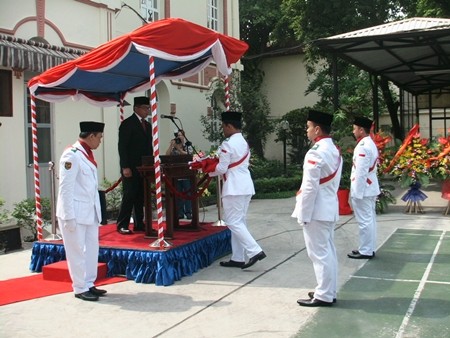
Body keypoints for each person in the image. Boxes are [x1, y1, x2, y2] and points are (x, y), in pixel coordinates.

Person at [292, 109, 342, 307]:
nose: (307, 131)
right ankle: (328, 290)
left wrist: (303, 214)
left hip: (316, 210)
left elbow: (310, 187)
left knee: (319, 253)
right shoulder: (334, 150)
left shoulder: (315, 153)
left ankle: (323, 294)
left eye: (308, 127)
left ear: (318, 129)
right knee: (327, 250)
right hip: (329, 207)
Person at [56, 121, 107, 302]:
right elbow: (66, 188)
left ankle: (88, 283)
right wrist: (68, 216)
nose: (100, 141)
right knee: (76, 250)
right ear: (91, 136)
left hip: (89, 212)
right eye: (99, 137)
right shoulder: (72, 155)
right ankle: (79, 287)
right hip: (75, 213)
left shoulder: (86, 154)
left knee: (91, 249)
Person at [208, 111, 266, 269]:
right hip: (245, 185)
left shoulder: (228, 144)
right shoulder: (243, 142)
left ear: (229, 125)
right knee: (239, 221)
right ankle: (238, 257)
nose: (223, 129)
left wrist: (206, 170)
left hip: (234, 187)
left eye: (223, 126)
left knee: (233, 221)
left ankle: (254, 251)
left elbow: (221, 168)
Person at [116, 96, 153, 234]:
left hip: (144, 167)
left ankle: (139, 223)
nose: (147, 111)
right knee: (129, 195)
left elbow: (149, 146)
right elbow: (122, 147)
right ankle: (122, 224)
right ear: (136, 108)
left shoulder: (148, 126)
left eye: (148, 108)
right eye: (145, 108)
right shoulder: (128, 124)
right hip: (130, 167)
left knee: (141, 197)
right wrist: (125, 166)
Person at [347, 116, 380, 259]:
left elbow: (360, 172)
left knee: (364, 221)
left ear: (361, 130)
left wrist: (356, 193)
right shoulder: (369, 143)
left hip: (364, 189)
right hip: (369, 188)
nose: (353, 131)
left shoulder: (363, 147)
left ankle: (366, 250)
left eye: (355, 129)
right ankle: (367, 247)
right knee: (369, 219)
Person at [165, 129, 193, 219]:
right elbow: (167, 155)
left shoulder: (188, 145)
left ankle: (188, 212)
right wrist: (171, 146)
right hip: (176, 175)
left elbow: (189, 156)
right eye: (177, 135)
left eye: (180, 135)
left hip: (186, 174)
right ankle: (180, 212)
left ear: (184, 136)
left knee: (187, 194)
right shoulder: (174, 147)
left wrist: (179, 149)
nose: (179, 137)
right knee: (178, 194)